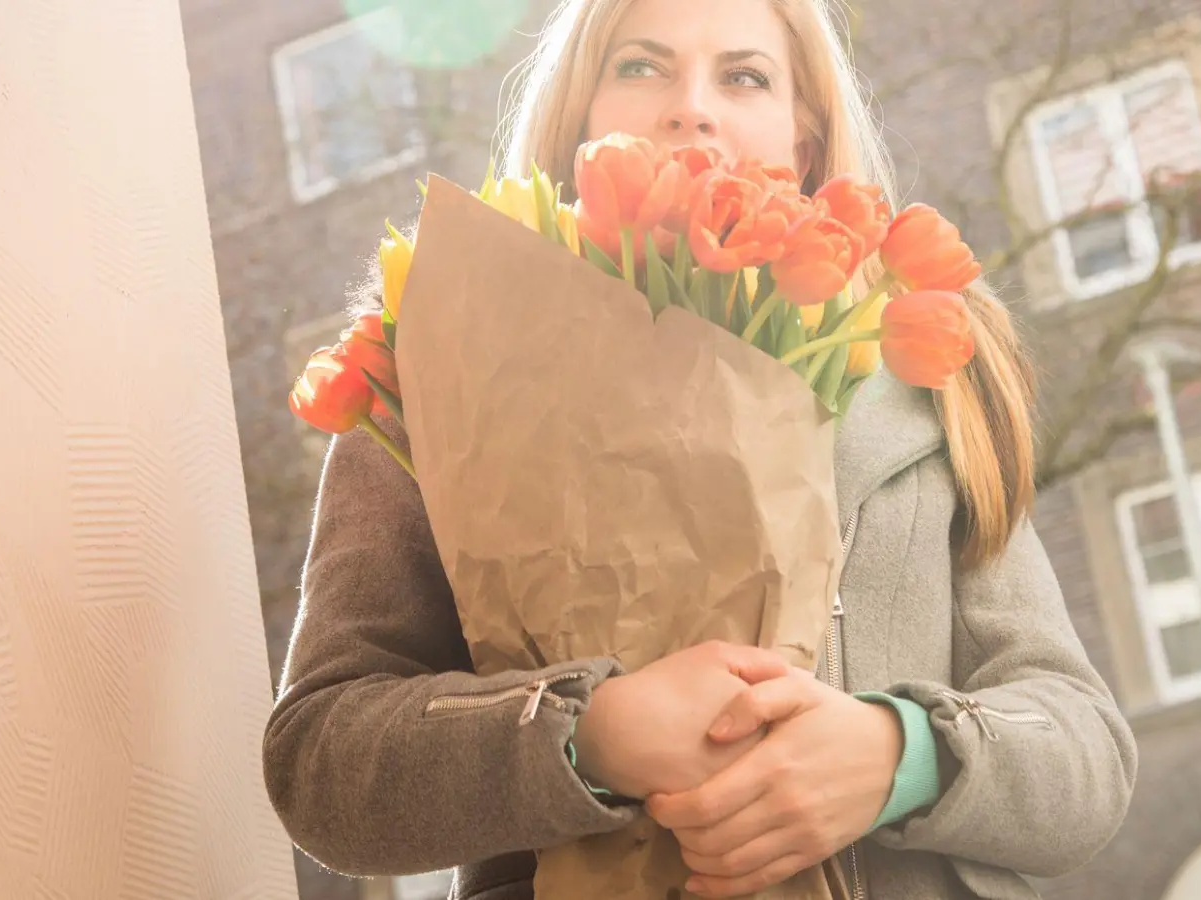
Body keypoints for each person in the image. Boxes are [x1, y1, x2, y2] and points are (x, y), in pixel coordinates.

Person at [262, 0, 1138, 898]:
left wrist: (897, 755)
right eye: (640, 67)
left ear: (802, 137)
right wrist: (583, 733)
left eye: (744, 75)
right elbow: (322, 766)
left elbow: (1085, 751)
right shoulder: (445, 369)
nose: (692, 108)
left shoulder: (926, 363)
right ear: (579, 121)